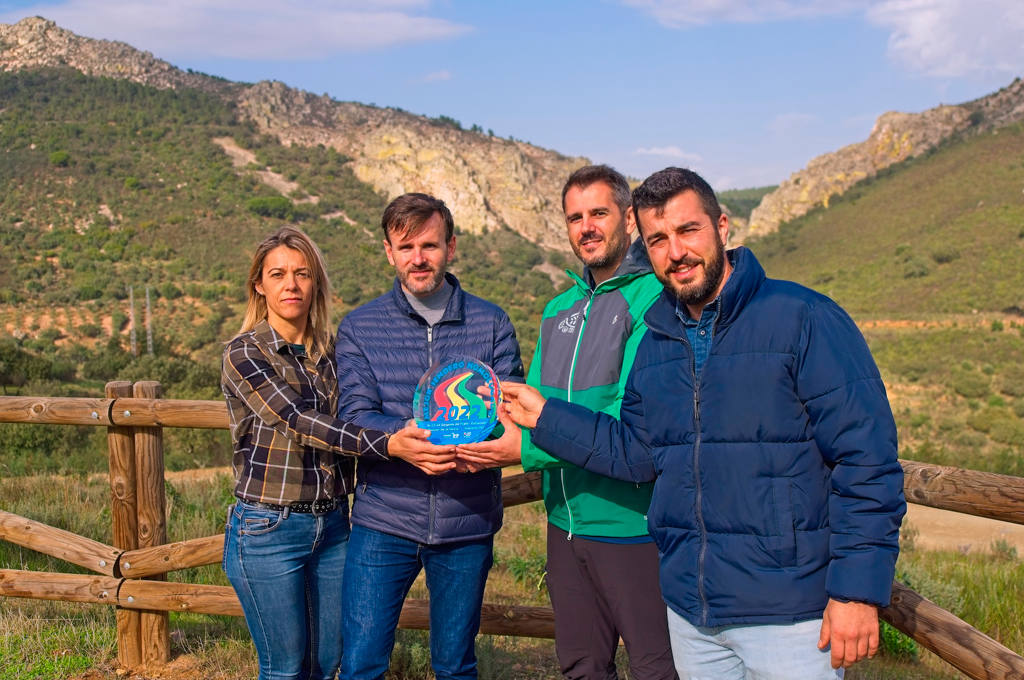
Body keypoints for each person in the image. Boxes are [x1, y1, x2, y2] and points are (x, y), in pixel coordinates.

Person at [497, 167, 906, 679]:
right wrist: (547, 416)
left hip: (789, 614)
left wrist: (855, 592)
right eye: (658, 240)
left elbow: (866, 460)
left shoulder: (802, 317)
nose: (676, 252)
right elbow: (636, 452)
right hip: (693, 617)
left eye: (688, 230)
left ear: (722, 226)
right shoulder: (658, 341)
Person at [457, 165, 677, 679]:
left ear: (628, 218)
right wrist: (465, 429)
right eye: (575, 218)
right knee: (580, 667)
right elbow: (531, 413)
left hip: (633, 527)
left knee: (657, 668)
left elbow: (629, 424)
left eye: (598, 213)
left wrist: (523, 451)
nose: (586, 227)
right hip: (564, 527)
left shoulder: (655, 300)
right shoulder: (558, 309)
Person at [221, 225, 441, 680]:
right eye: (278, 274)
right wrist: (390, 443)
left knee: (325, 664)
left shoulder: (333, 351)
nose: (291, 285)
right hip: (270, 525)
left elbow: (366, 407)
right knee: (284, 669)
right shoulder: (244, 353)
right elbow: (298, 421)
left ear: (316, 282)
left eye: (302, 274)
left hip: (335, 525)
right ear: (259, 285)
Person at [335, 193, 524, 680]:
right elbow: (354, 415)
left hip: (467, 523)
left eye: (430, 245)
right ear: (389, 252)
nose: (418, 258)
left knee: (456, 666)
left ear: (451, 247)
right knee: (360, 665)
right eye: (406, 247)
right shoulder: (359, 327)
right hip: (384, 520)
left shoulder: (492, 323)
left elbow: (510, 412)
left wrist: (472, 449)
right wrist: (401, 440)